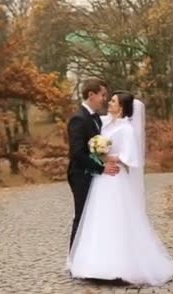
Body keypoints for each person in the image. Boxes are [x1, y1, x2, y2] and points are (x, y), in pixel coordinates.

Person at [67, 90, 173, 286]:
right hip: (102, 178)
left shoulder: (126, 128)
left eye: (113, 101)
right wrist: (99, 155)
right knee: (99, 218)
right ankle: (95, 264)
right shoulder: (106, 123)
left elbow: (131, 157)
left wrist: (109, 157)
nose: (109, 102)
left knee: (117, 218)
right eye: (109, 99)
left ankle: (121, 265)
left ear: (122, 107)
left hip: (115, 177)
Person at [66, 78, 120, 250]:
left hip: (93, 174)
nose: (104, 99)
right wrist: (101, 168)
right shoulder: (78, 119)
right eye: (102, 95)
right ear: (91, 95)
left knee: (92, 216)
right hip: (81, 174)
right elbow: (77, 153)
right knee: (81, 215)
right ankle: (73, 258)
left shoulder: (96, 117)